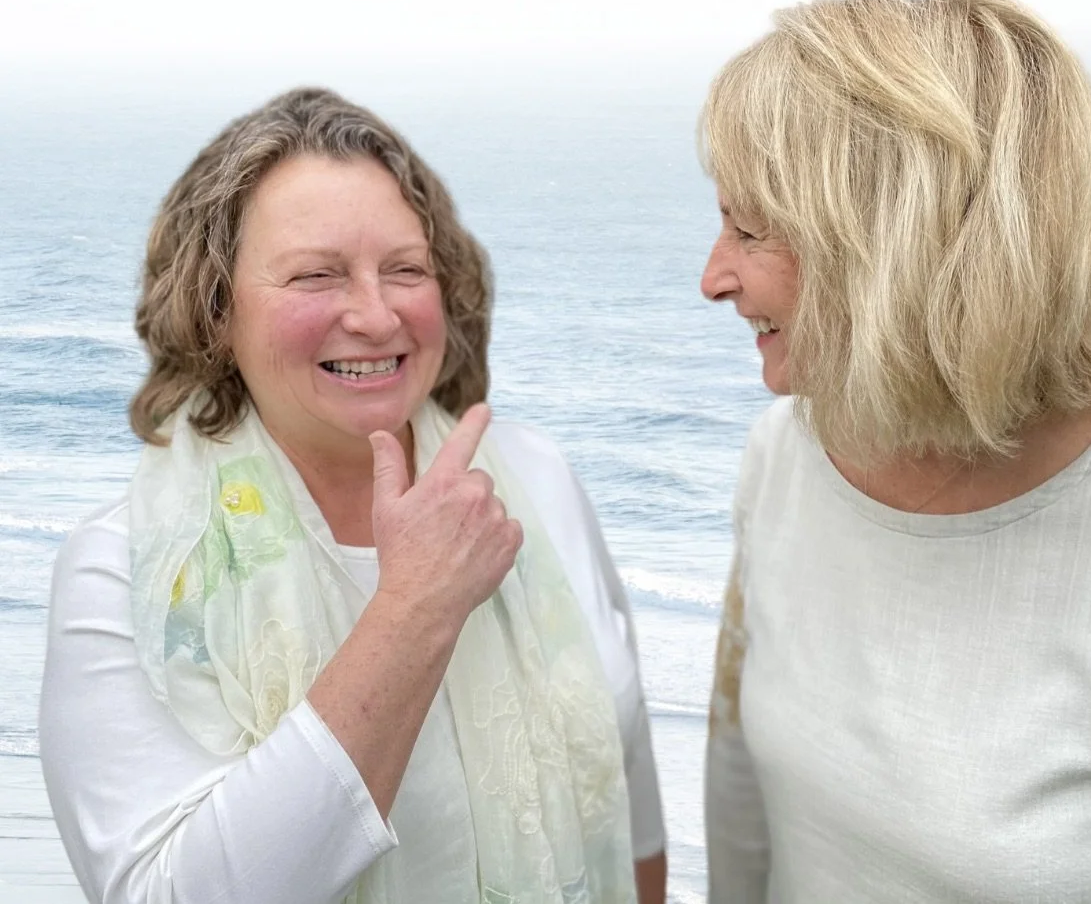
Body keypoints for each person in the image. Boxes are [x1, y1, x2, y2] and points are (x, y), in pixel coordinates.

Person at [698, 0, 1091, 904]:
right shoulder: (783, 456)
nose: (712, 276)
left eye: (750, 229)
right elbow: (740, 788)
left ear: (901, 247)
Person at [40, 87, 667, 904]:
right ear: (217, 309)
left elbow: (630, 797)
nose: (375, 316)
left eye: (405, 270)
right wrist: (413, 608)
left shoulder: (532, 476)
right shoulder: (128, 569)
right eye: (316, 275)